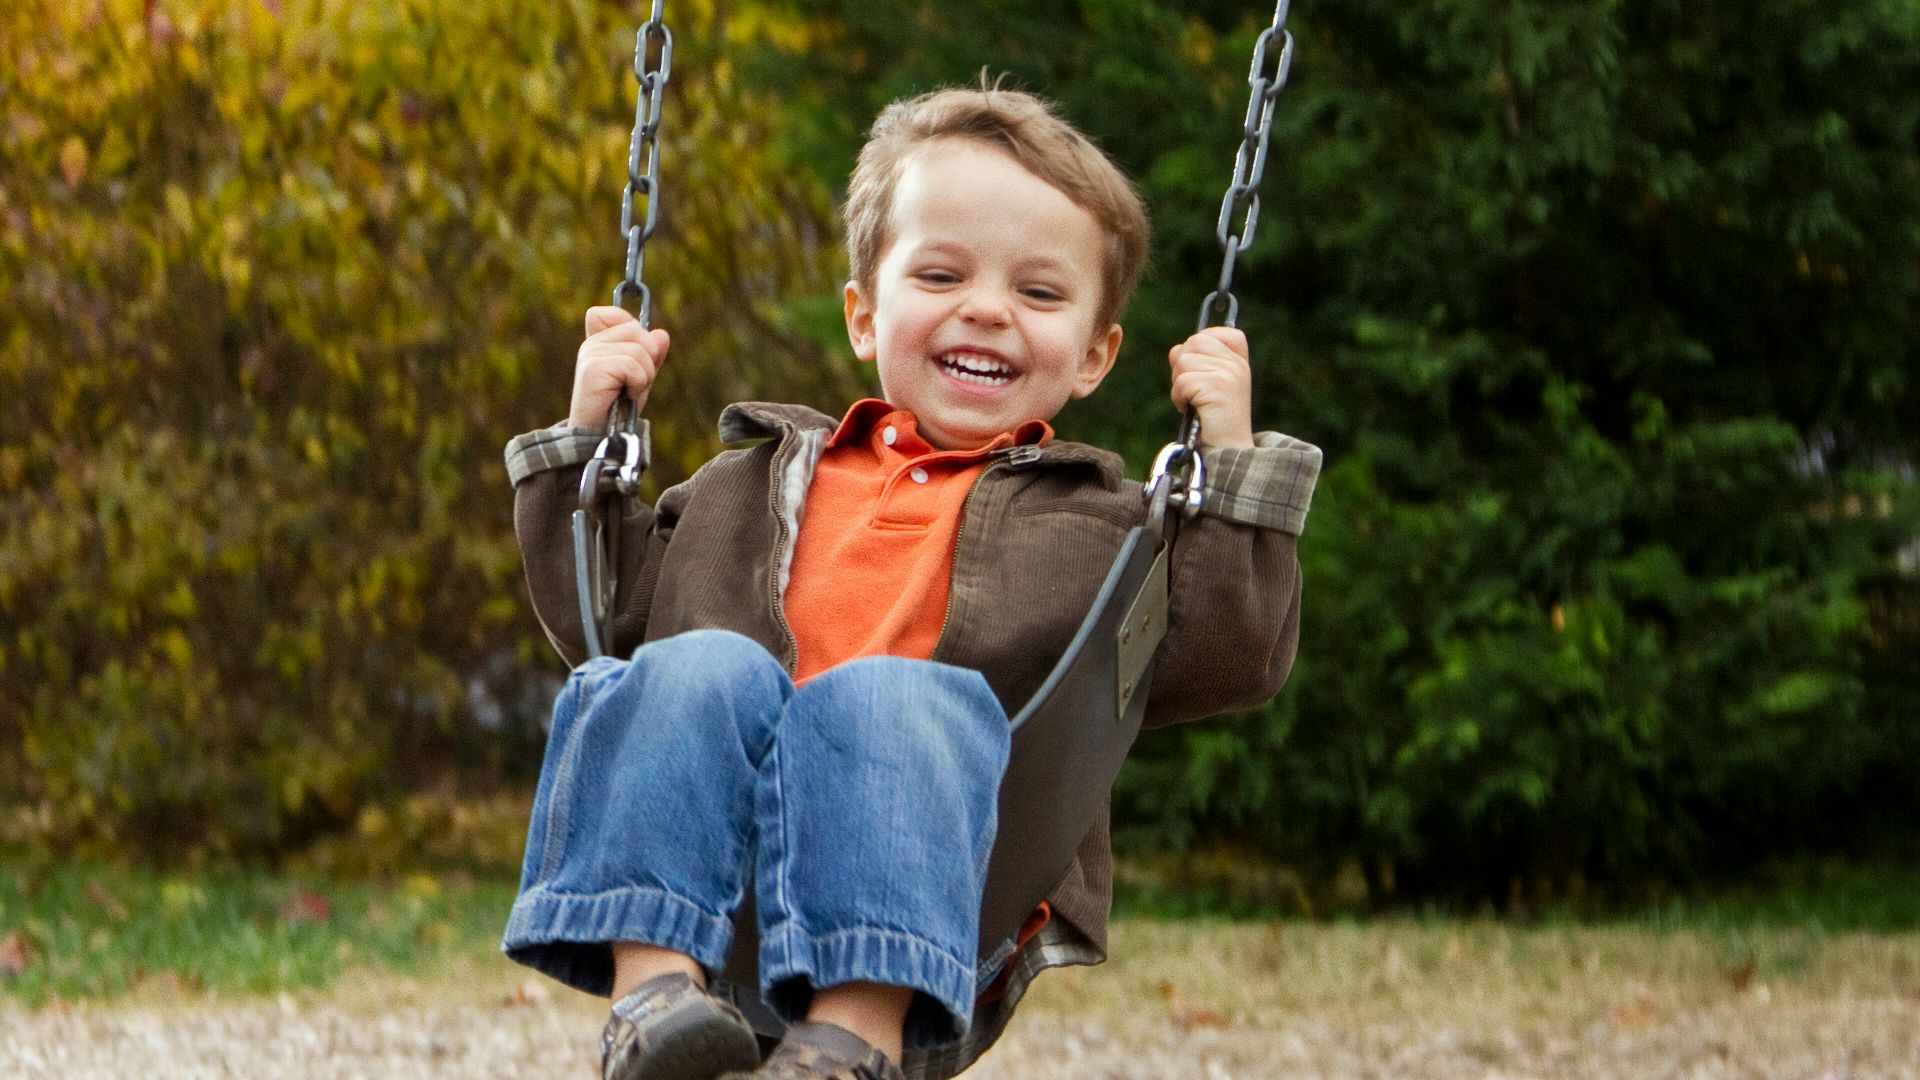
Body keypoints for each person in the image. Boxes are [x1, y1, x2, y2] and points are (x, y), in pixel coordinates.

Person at [500, 87, 1321, 1080]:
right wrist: (589, 442)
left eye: (1041, 294)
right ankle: (656, 998)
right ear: (862, 313)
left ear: (1097, 356)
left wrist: (1227, 465)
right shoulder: (740, 485)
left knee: (891, 699)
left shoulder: (1098, 529)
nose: (986, 308)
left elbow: (1223, 652)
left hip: (942, 863)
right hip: (726, 846)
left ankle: (851, 1045)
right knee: (692, 666)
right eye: (940, 273)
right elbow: (603, 617)